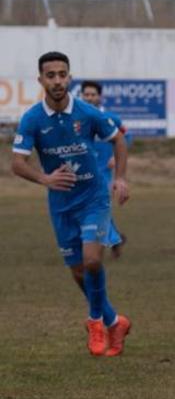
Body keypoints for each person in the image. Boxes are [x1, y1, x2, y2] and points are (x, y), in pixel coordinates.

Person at [11, 52, 132, 357]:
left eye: (62, 74)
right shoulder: (32, 119)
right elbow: (17, 163)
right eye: (50, 75)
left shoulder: (87, 112)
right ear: (41, 80)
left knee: (92, 261)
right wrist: (45, 179)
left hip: (94, 197)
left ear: (70, 77)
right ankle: (114, 321)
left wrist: (120, 178)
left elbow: (118, 139)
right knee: (78, 271)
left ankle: (94, 322)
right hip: (61, 204)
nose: (57, 80)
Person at [80, 80, 127, 258]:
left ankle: (104, 241)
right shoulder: (77, 118)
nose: (90, 97)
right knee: (94, 208)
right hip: (84, 172)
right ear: (82, 95)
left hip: (104, 173)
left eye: (93, 94)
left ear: (99, 97)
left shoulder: (111, 118)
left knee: (98, 206)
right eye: (87, 94)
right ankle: (116, 238)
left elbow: (125, 136)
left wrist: (116, 156)